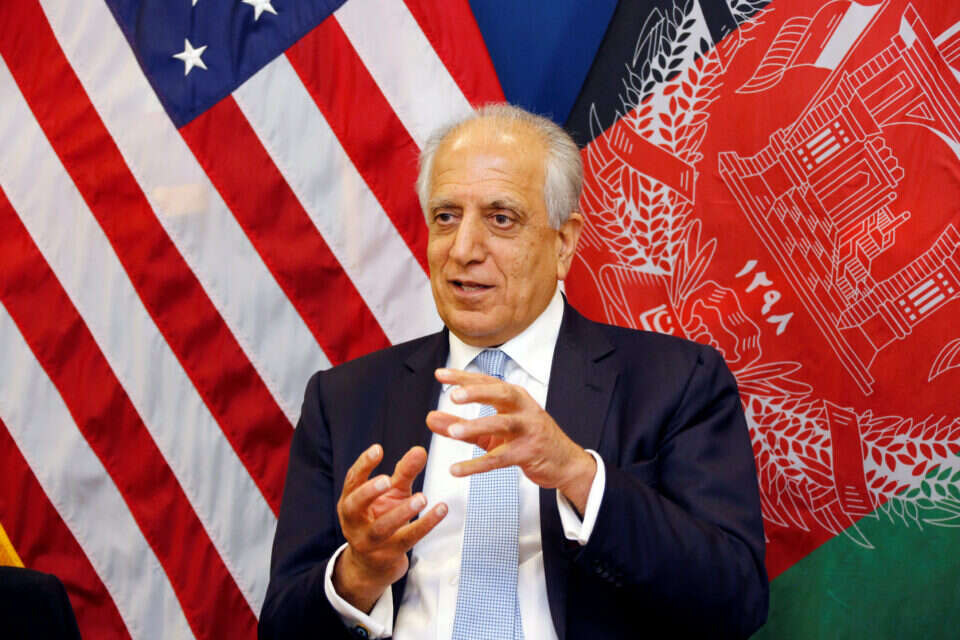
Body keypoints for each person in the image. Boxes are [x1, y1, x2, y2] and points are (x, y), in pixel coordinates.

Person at [259, 104, 768, 639]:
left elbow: (735, 601)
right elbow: (281, 629)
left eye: (501, 218)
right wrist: (360, 573)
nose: (463, 250)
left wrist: (578, 475)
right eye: (446, 217)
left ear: (563, 243)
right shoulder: (343, 399)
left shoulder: (676, 381)